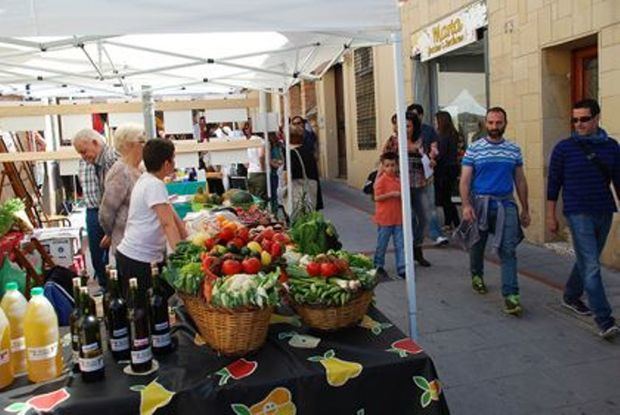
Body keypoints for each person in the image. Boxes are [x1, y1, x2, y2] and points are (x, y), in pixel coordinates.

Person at [546, 98, 620, 339]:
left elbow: (618, 180)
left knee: (588, 260)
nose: (579, 124)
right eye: (575, 120)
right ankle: (604, 320)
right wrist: (551, 216)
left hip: (604, 210)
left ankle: (570, 295)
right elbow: (553, 185)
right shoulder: (564, 149)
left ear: (597, 118)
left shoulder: (611, 146)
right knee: (591, 266)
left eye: (584, 119)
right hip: (577, 212)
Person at [459, 107, 530, 316]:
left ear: (505, 123)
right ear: (485, 123)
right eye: (490, 123)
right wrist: (466, 205)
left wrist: (525, 208)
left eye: (498, 123)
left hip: (505, 205)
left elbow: (520, 179)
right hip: (479, 203)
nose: (494, 127)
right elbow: (465, 180)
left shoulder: (513, 150)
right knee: (477, 244)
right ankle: (477, 275)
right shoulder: (474, 149)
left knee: (508, 249)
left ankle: (511, 295)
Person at [116, 139, 188, 296]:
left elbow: (172, 215)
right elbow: (167, 224)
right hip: (138, 259)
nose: (174, 163)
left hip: (138, 257)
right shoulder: (154, 185)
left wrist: (188, 241)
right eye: (173, 159)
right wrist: (181, 259)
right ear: (166, 163)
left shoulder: (147, 180)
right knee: (146, 310)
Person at [382, 113, 431, 266]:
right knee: (407, 220)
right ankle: (407, 253)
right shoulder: (393, 141)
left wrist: (430, 160)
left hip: (419, 183)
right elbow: (384, 161)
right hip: (400, 186)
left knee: (424, 218)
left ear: (414, 126)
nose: (405, 129)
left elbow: (428, 157)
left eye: (408, 126)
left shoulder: (421, 140)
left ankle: (417, 247)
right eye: (402, 125)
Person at [73, 128, 118, 291]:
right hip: (92, 209)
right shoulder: (85, 161)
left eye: (84, 151)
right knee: (96, 251)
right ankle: (105, 285)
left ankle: (119, 285)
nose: (83, 156)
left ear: (95, 143)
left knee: (118, 248)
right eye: (80, 153)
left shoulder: (110, 158)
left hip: (111, 209)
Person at [98, 124, 145, 265]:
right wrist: (110, 233)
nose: (145, 145)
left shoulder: (139, 169)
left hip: (142, 242)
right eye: (141, 142)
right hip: (128, 244)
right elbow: (106, 212)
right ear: (128, 145)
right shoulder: (120, 171)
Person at [407, 104, 448, 246]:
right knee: (410, 209)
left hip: (426, 174)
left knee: (429, 205)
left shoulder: (428, 130)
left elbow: (434, 148)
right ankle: (412, 238)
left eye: (415, 116)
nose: (412, 120)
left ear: (421, 116)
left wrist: (432, 157)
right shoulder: (403, 130)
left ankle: (435, 234)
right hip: (407, 177)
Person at [373, 152, 405, 280]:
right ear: (383, 166)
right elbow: (377, 197)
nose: (391, 168)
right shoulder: (381, 181)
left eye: (393, 165)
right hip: (385, 219)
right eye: (387, 165)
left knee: (400, 244)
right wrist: (392, 194)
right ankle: (378, 264)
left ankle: (402, 267)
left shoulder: (398, 180)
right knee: (382, 244)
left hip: (398, 218)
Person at [434, 111, 461, 229]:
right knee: (447, 197)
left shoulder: (443, 136)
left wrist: (432, 158)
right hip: (451, 169)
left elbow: (441, 154)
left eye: (436, 120)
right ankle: (449, 222)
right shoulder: (453, 134)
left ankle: (455, 222)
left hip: (444, 170)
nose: (435, 123)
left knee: (446, 198)